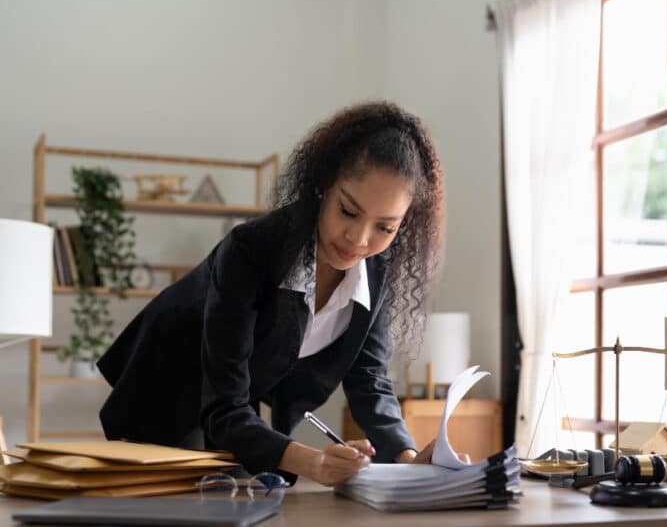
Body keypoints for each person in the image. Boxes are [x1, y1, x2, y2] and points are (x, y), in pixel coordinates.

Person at [97, 102, 458, 487]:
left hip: (234, 408)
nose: (360, 239)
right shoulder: (250, 249)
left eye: (385, 228)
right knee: (183, 501)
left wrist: (408, 457)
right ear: (323, 185)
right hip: (167, 387)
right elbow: (223, 404)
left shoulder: (377, 268)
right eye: (349, 211)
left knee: (240, 495)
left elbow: (369, 379)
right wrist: (315, 463)